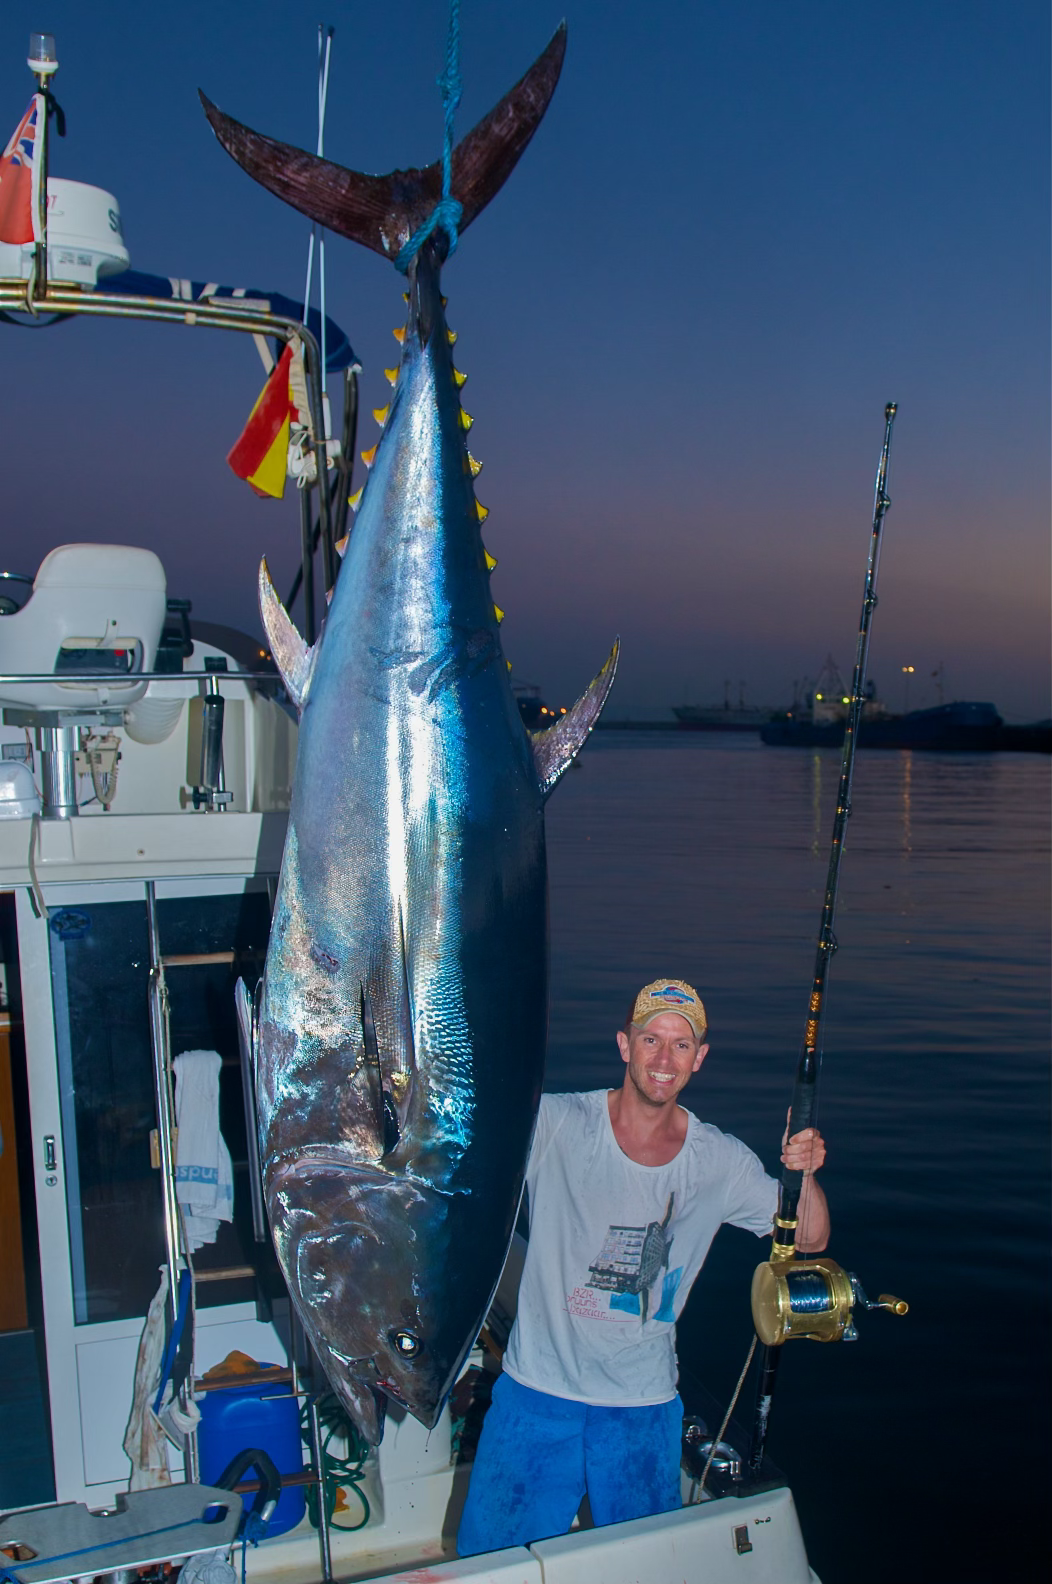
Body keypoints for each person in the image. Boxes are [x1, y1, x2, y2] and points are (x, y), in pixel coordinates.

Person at [456, 976, 828, 1556]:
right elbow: (463, 1145)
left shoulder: (718, 1161)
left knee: (645, 1569)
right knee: (490, 1563)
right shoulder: (555, 1124)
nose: (663, 1058)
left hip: (642, 1407)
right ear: (624, 1045)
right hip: (536, 1395)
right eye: (651, 1039)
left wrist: (802, 1170)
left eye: (681, 1045)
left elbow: (809, 1235)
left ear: (699, 1059)